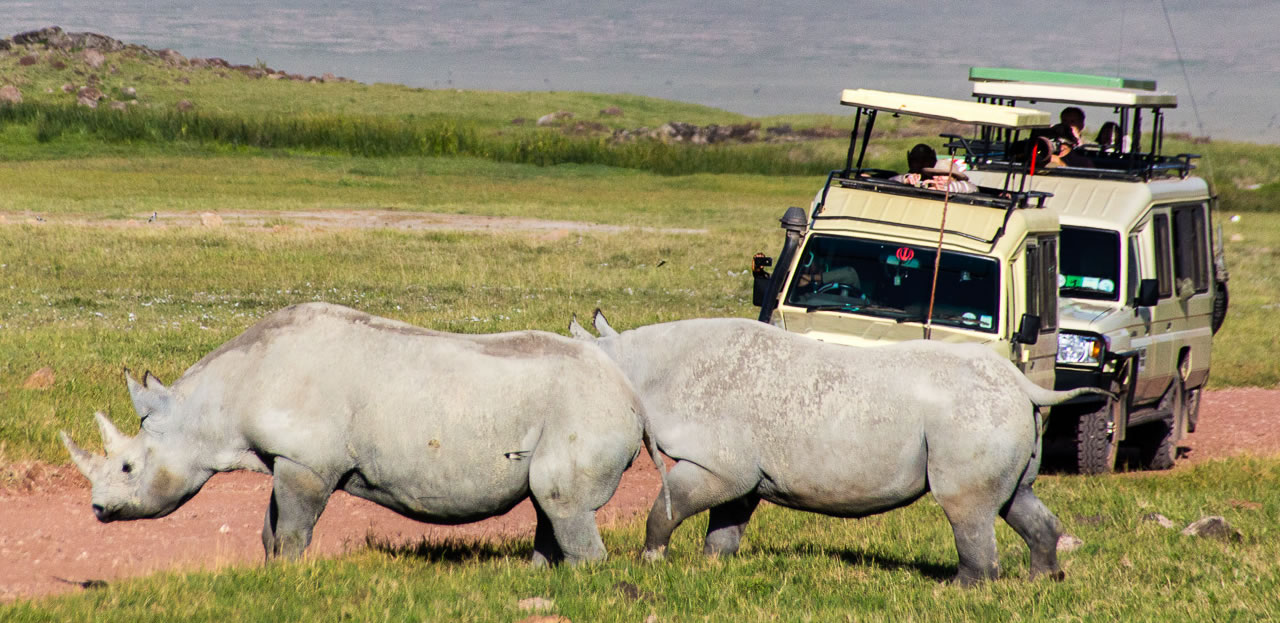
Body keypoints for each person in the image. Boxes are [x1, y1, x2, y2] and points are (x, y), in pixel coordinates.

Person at [891, 144, 977, 193]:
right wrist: (906, 179)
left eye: (944, 175)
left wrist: (946, 188)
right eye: (916, 160)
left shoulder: (957, 186)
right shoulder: (924, 181)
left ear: (954, 177)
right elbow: (890, 180)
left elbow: (972, 188)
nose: (939, 178)